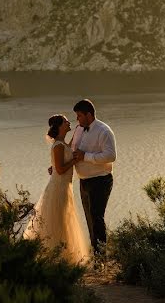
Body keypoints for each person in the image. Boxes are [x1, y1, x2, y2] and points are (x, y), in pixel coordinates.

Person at [23, 114, 92, 265]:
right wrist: (74, 160)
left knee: (63, 219)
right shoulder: (59, 145)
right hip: (58, 186)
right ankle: (54, 258)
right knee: (58, 220)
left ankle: (62, 256)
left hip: (64, 186)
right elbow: (60, 169)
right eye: (66, 121)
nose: (69, 123)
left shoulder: (63, 143)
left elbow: (60, 160)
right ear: (60, 126)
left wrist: (78, 131)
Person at [71, 98, 116, 256]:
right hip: (84, 181)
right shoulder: (78, 129)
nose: (77, 119)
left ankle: (102, 256)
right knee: (89, 219)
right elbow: (72, 150)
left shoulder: (104, 131)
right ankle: (97, 255)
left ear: (88, 115)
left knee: (97, 217)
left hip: (101, 180)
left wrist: (86, 157)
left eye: (79, 116)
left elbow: (111, 156)